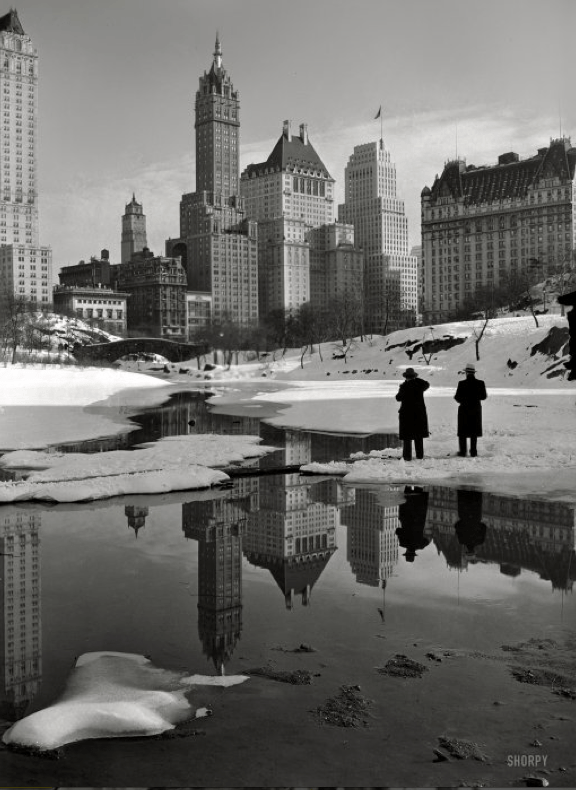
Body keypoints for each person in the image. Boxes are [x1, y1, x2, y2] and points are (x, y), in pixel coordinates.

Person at [395, 367, 430, 461]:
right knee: (418, 436)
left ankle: (407, 456)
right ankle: (419, 455)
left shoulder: (404, 386)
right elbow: (427, 384)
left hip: (407, 414)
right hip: (419, 414)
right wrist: (416, 379)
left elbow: (398, 398)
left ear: (406, 377)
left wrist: (404, 385)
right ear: (414, 376)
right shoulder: (419, 385)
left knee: (407, 437)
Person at [454, 363, 487, 457]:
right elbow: (484, 397)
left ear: (466, 373)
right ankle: (473, 451)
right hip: (476, 409)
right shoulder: (481, 383)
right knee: (474, 431)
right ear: (473, 373)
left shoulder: (462, 383)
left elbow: (457, 397)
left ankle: (463, 451)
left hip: (464, 410)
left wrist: (464, 400)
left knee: (463, 432)